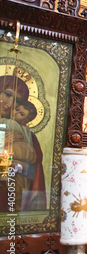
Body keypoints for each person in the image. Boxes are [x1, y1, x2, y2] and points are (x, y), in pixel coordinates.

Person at [0, 75, 45, 211]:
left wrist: (22, 166)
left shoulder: (28, 136)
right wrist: (3, 142)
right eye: (8, 94)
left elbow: (34, 169)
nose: (10, 104)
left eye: (17, 101)